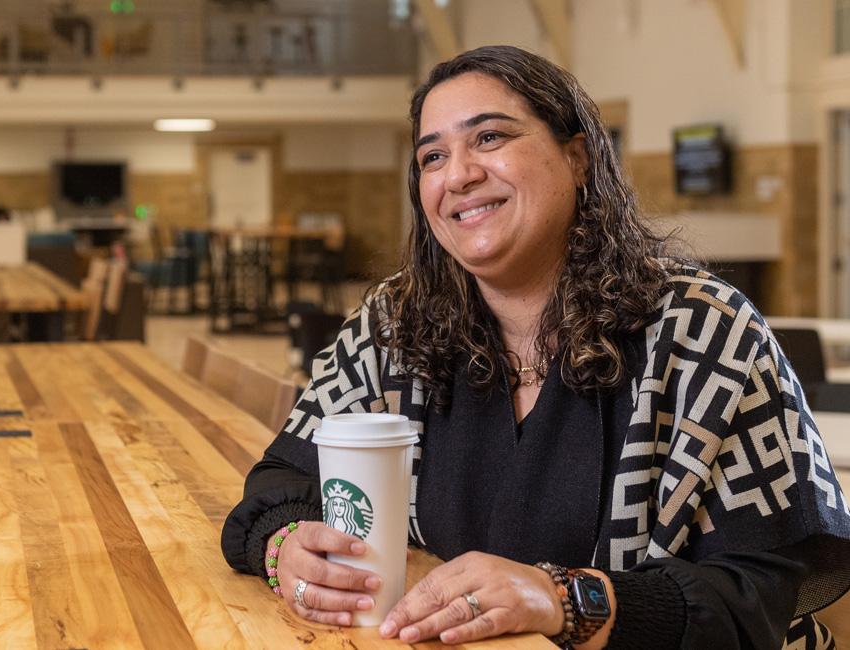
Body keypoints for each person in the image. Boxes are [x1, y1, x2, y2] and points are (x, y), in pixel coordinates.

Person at [221, 45, 850, 650]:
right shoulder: (393, 327)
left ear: (577, 158)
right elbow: (279, 481)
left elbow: (764, 593)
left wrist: (565, 601)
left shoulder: (701, 331)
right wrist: (284, 546)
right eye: (432, 157)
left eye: (489, 138)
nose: (459, 174)